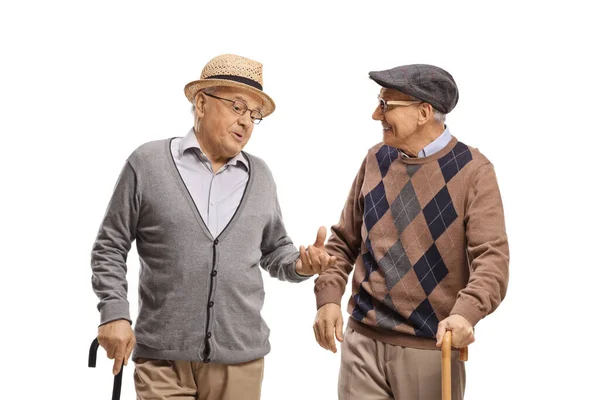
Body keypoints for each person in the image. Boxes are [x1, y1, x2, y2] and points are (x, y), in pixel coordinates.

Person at [91, 54, 336, 400]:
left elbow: (275, 249)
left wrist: (301, 264)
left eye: (254, 115)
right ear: (202, 103)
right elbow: (110, 245)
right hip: (162, 357)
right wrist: (113, 311)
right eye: (238, 107)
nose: (247, 122)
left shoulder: (260, 176)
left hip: (240, 361)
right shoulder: (147, 164)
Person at [312, 64, 509, 399]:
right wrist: (328, 298)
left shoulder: (474, 171)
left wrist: (465, 315)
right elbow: (344, 241)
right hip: (361, 344)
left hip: (431, 350)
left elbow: (492, 262)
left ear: (424, 112)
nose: (377, 114)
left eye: (387, 105)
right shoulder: (375, 159)